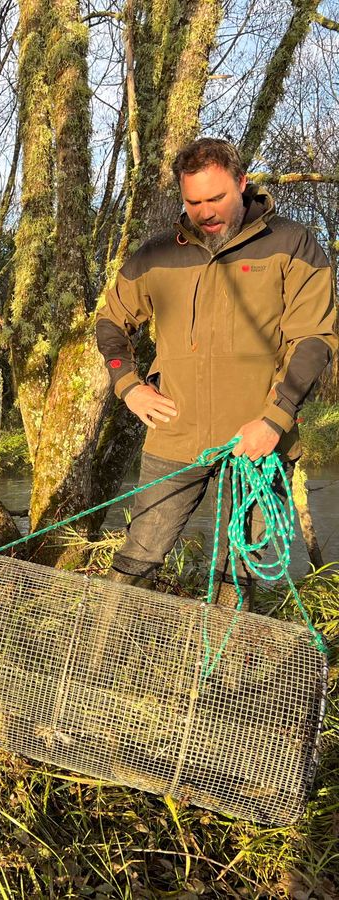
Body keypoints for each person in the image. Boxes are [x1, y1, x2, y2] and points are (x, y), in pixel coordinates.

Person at [95, 137, 337, 608]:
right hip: (174, 437)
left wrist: (275, 419)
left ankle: (222, 677)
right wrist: (129, 386)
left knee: (238, 572)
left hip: (258, 444)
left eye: (216, 198)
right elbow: (110, 320)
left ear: (242, 184)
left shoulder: (294, 244)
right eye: (193, 201)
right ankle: (99, 661)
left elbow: (314, 340)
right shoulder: (157, 254)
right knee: (136, 557)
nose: (205, 212)